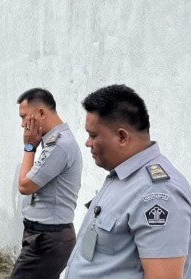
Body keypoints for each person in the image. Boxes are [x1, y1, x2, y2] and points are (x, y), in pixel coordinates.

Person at [65, 85, 191, 278]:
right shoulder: (123, 176)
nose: (87, 143)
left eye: (93, 135)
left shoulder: (158, 193)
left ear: (122, 137)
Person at [10, 88, 82, 279]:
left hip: (48, 239)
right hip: (44, 236)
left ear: (41, 113)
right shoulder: (52, 142)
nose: (22, 124)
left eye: (24, 117)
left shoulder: (59, 145)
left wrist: (29, 147)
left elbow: (25, 186)